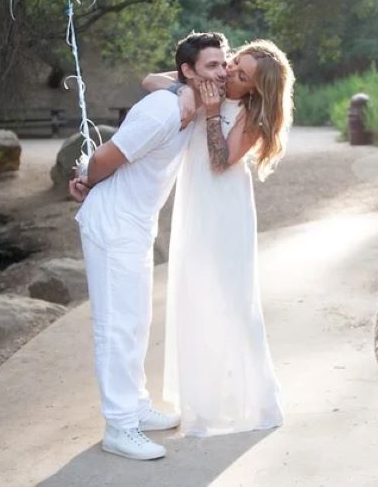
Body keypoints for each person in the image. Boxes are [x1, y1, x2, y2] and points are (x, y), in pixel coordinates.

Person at [69, 31, 229, 460]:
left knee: (136, 321)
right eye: (211, 65)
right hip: (114, 224)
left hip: (136, 224)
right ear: (188, 71)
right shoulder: (162, 110)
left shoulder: (187, 98)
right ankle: (119, 427)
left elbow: (157, 78)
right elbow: (106, 157)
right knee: (116, 326)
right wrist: (87, 182)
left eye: (223, 63)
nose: (221, 72)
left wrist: (185, 89)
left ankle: (136, 407)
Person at [142, 40, 295, 436]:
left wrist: (210, 112)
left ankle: (250, 399)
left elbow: (220, 161)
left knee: (230, 298)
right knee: (194, 293)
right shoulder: (208, 82)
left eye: (242, 75)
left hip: (226, 209)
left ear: (256, 89)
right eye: (233, 62)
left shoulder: (250, 114)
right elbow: (149, 80)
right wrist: (184, 89)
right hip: (195, 203)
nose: (229, 73)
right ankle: (201, 399)